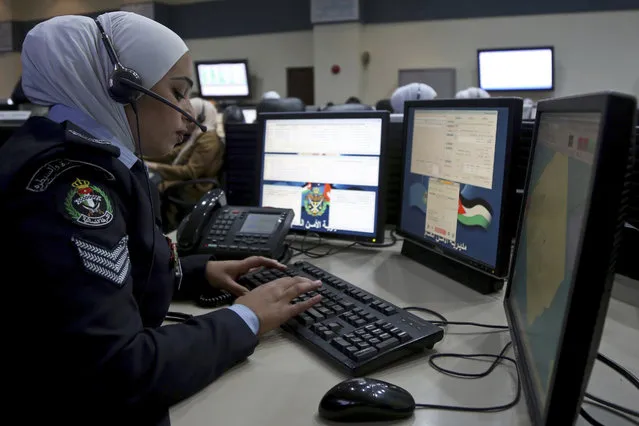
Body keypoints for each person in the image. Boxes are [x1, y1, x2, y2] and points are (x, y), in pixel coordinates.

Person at [0, 12, 322, 426]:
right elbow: (120, 370)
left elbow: (82, 288)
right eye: (178, 91)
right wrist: (247, 318)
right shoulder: (73, 186)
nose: (189, 113)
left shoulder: (79, 152)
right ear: (122, 89)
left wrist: (194, 271)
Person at [146, 97, 224, 231]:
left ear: (200, 117)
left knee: (151, 187)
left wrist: (155, 166)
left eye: (188, 117)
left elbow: (190, 172)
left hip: (195, 187)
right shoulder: (198, 135)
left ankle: (160, 229)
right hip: (187, 181)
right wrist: (139, 156)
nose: (185, 122)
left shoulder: (208, 140)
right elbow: (172, 155)